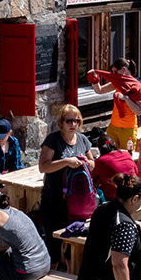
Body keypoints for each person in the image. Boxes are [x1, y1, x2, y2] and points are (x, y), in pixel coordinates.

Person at [38, 105, 95, 265]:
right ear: (61, 122)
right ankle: (49, 279)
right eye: (69, 121)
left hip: (76, 204)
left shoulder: (83, 140)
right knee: (53, 245)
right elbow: (43, 167)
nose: (73, 124)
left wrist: (90, 164)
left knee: (73, 244)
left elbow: (92, 162)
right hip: (54, 200)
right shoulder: (53, 140)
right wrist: (66, 162)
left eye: (76, 120)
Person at [87, 60, 141, 151]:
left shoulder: (137, 86)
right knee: (110, 154)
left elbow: (138, 111)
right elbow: (99, 90)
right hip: (113, 127)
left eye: (115, 72)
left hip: (128, 129)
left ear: (123, 69)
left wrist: (126, 98)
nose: (113, 74)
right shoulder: (118, 82)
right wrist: (94, 79)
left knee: (126, 157)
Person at [92, 134, 139, 201]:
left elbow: (93, 180)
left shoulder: (100, 161)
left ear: (99, 148)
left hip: (114, 197)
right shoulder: (126, 154)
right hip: (132, 192)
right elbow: (136, 171)